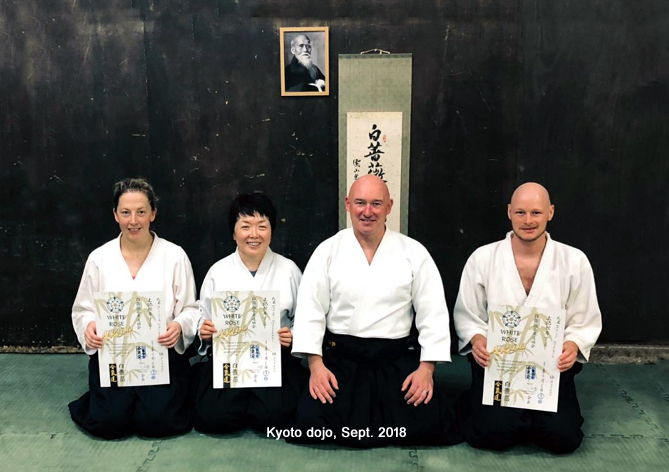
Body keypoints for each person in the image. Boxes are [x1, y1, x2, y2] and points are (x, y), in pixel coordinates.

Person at [289, 175, 461, 448]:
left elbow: (433, 313)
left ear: (389, 206)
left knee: (429, 425)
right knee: (311, 423)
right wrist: (316, 366)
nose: (367, 211)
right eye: (360, 203)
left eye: (376, 204)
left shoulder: (413, 252)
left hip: (394, 358)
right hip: (342, 359)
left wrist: (426, 369)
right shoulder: (328, 251)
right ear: (348, 204)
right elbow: (310, 310)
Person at [454, 182, 602, 454]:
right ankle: (478, 401)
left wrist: (572, 345)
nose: (528, 220)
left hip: (550, 368)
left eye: (536, 212)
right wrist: (477, 340)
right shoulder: (483, 258)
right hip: (499, 367)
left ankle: (531, 416)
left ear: (550, 212)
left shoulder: (574, 260)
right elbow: (468, 313)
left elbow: (584, 318)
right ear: (509, 212)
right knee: (492, 435)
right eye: (520, 212)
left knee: (563, 439)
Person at [69, 178, 199, 439]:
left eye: (141, 212)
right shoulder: (99, 258)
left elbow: (190, 308)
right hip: (115, 354)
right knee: (109, 425)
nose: (133, 221)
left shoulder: (175, 255)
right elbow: (83, 309)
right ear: (115, 214)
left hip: (160, 353)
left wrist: (178, 326)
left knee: (158, 423)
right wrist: (89, 327)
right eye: (126, 212)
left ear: (153, 213)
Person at [193, 193, 308, 434]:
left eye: (262, 226)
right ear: (234, 233)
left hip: (273, 360)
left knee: (275, 419)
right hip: (229, 359)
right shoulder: (218, 271)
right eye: (245, 226)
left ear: (271, 231)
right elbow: (202, 316)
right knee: (213, 419)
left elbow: (305, 318)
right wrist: (204, 330)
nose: (254, 234)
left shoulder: (289, 270)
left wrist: (293, 335)